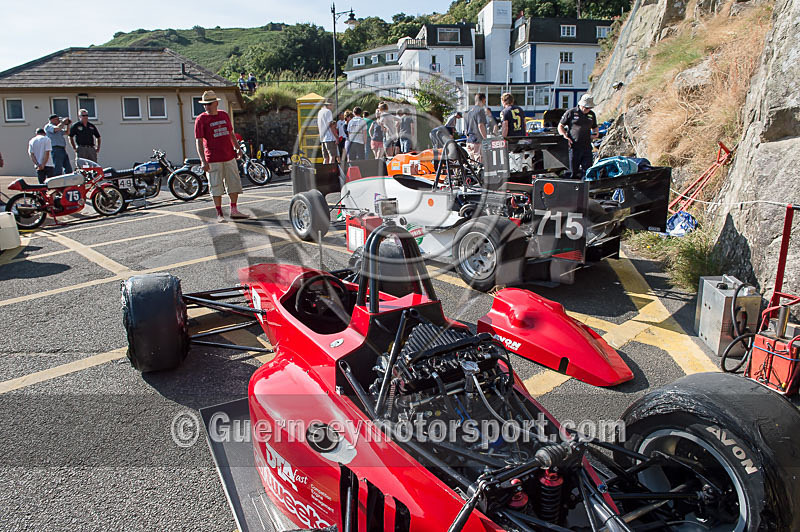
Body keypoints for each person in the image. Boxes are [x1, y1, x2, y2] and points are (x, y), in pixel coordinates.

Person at [194, 90, 249, 223]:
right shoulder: (201, 119)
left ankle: (234, 210)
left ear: (216, 103)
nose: (206, 106)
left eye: (209, 104)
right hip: (212, 159)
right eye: (204, 104)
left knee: (233, 183)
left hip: (228, 156)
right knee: (215, 185)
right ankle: (219, 213)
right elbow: (199, 141)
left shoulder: (224, 115)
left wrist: (237, 148)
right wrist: (203, 160)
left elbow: (231, 133)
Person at [558, 94, 599, 179]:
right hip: (574, 146)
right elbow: (560, 126)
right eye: (586, 107)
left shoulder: (591, 115)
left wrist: (595, 133)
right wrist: (565, 136)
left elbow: (595, 127)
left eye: (589, 108)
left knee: (587, 170)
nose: (587, 110)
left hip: (587, 147)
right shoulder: (571, 112)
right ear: (581, 104)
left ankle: (585, 188)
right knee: (572, 171)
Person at [464, 94, 488, 162]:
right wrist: (485, 139)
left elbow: (466, 130)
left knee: (472, 165)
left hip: (469, 142)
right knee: (479, 164)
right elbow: (480, 125)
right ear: (483, 100)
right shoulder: (480, 110)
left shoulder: (468, 112)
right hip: (478, 142)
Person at [317, 99, 337, 164]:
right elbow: (331, 125)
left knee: (325, 158)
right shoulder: (328, 112)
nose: (333, 107)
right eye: (332, 105)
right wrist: (336, 136)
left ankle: (324, 172)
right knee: (332, 157)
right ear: (329, 105)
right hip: (329, 137)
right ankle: (332, 172)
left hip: (322, 138)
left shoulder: (320, 112)